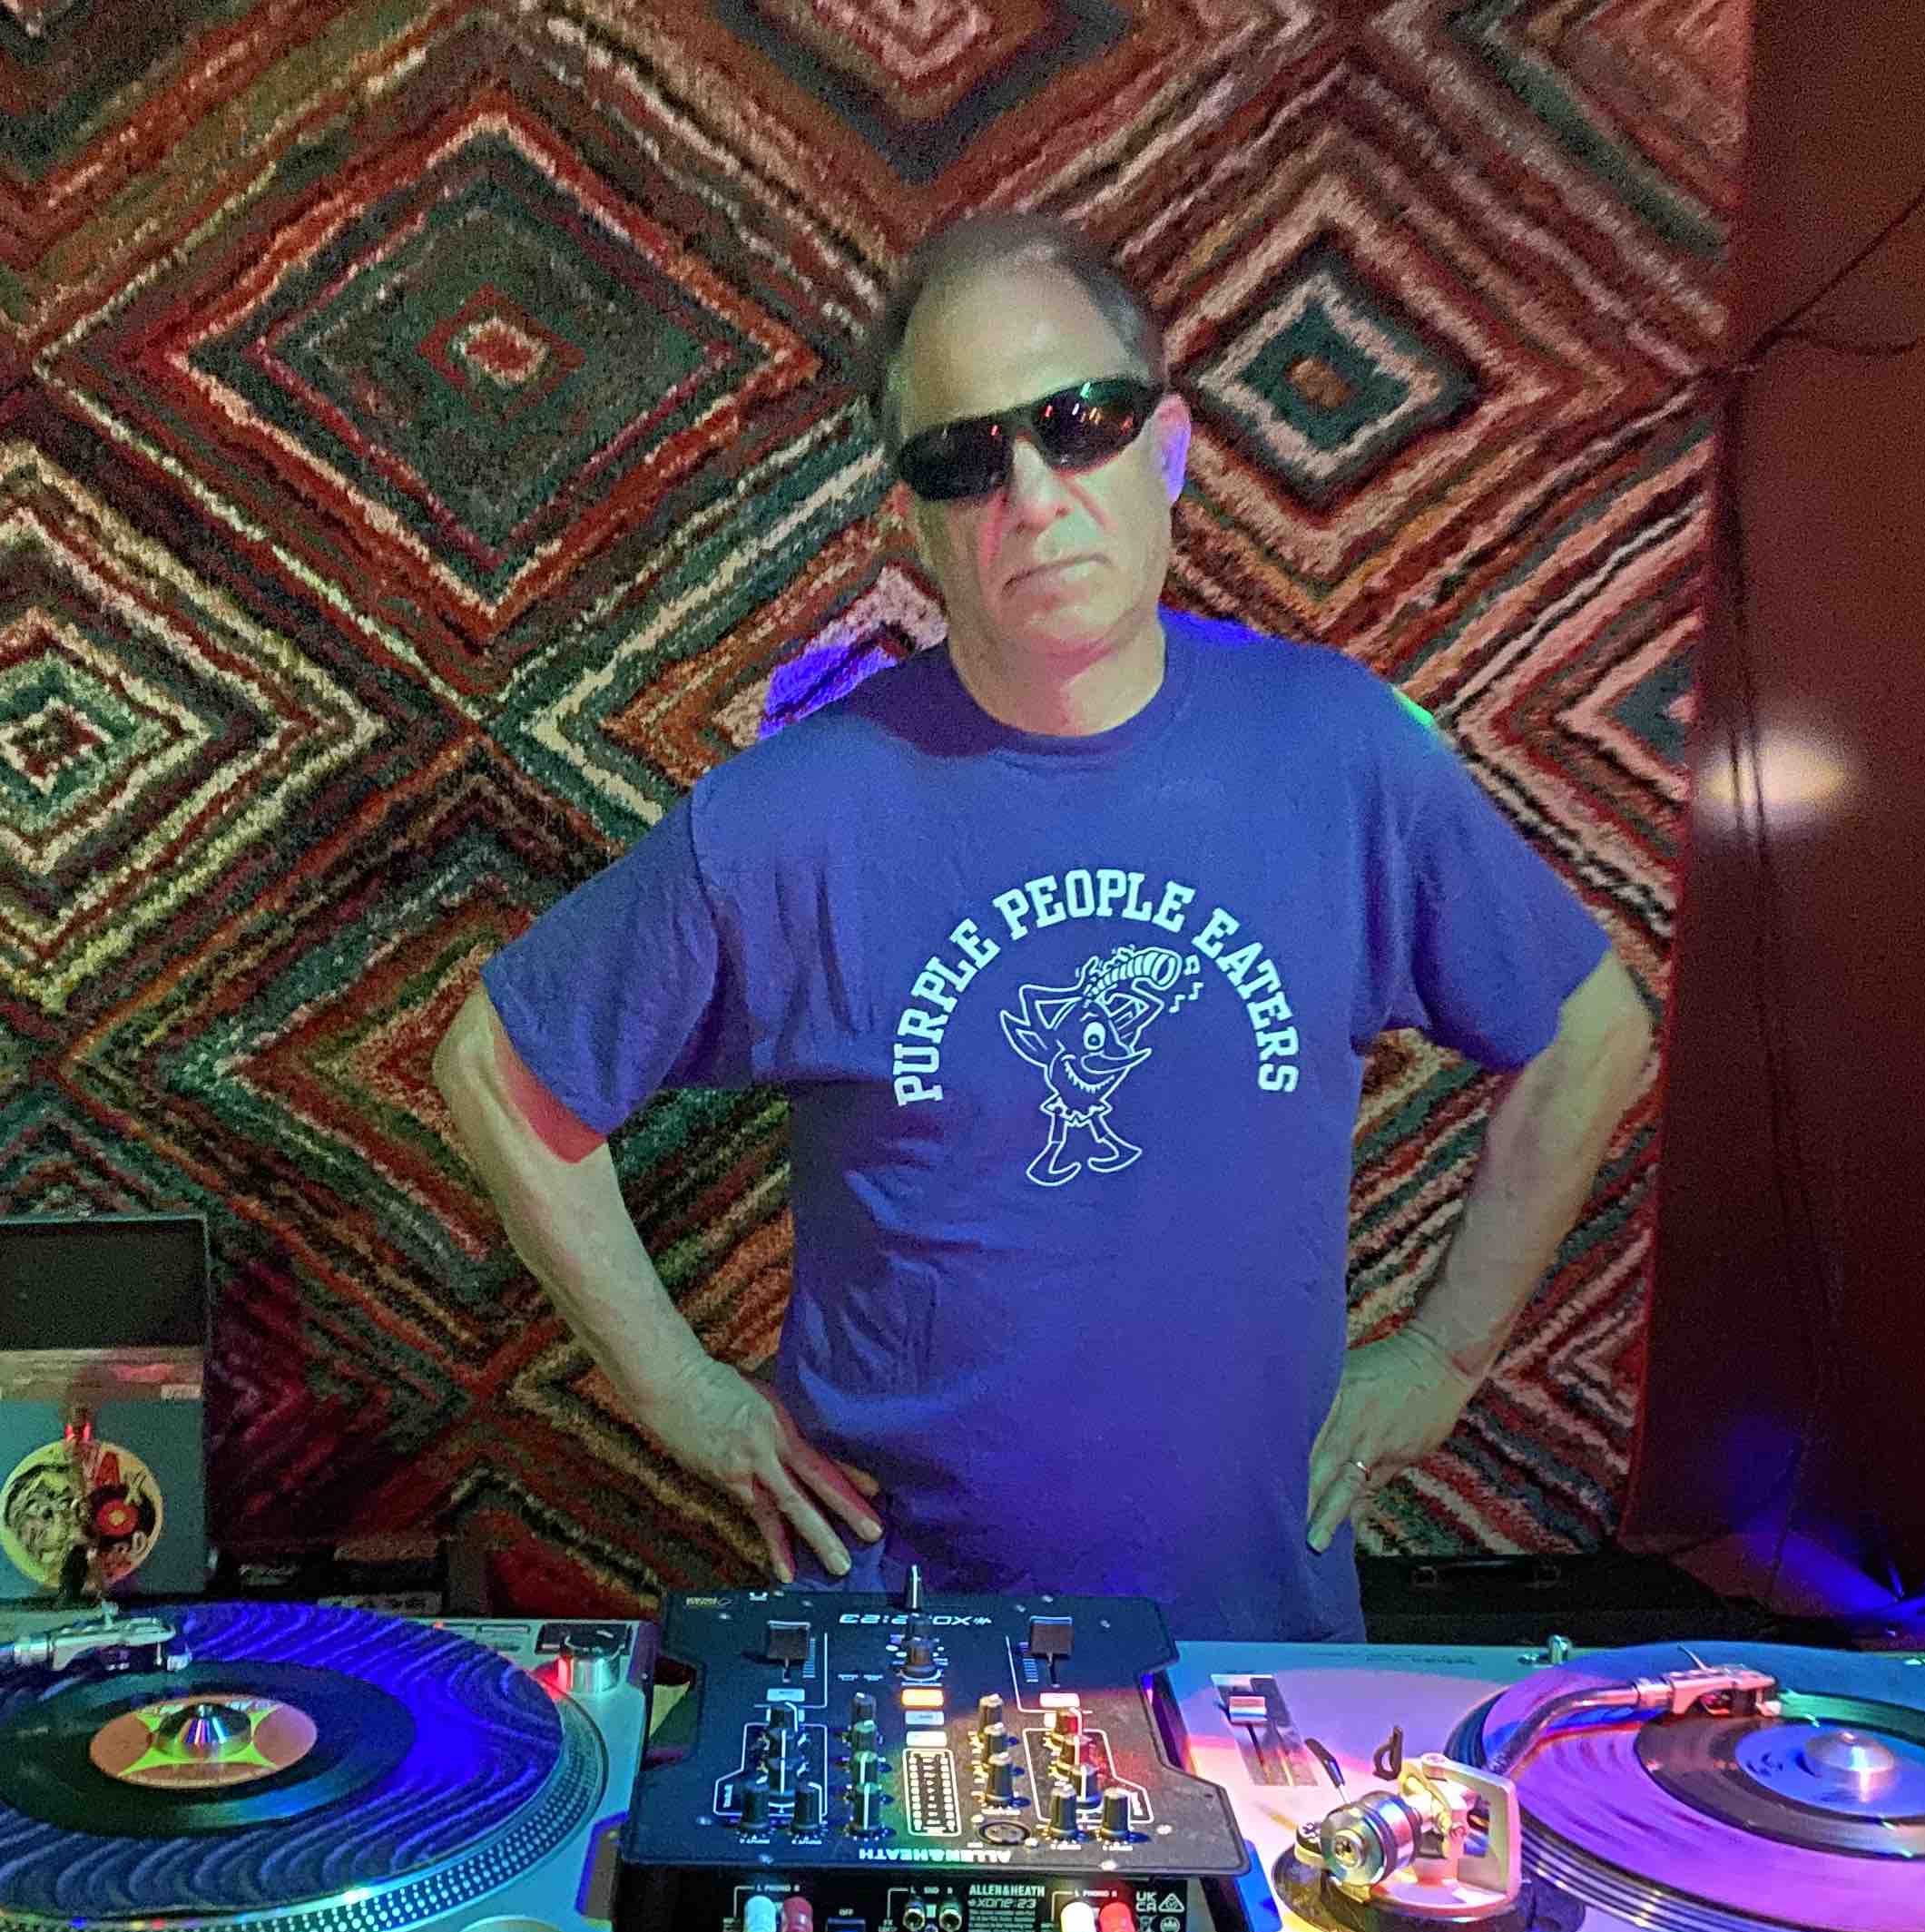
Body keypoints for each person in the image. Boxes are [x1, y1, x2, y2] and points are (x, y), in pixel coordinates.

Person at [434, 212, 1651, 1641]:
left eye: (1078, 423)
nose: (1031, 494)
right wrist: (680, 1394)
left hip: (1247, 1649)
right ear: (914, 523)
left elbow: (1592, 1035)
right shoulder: (796, 816)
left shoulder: (1341, 754)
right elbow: (498, 1073)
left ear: (1168, 446)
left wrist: (1445, 1356)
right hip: (900, 1649)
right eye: (964, 459)